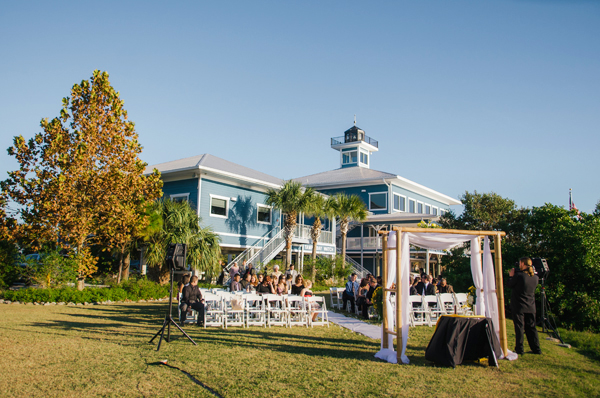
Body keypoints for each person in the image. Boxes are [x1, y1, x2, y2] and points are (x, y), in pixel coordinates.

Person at [508, 257, 542, 355]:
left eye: (520, 263)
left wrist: (511, 276)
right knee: (531, 328)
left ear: (523, 264)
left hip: (519, 305)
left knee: (519, 328)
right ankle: (536, 348)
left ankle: (519, 349)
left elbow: (509, 284)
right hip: (530, 305)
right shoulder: (535, 278)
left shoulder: (519, 276)